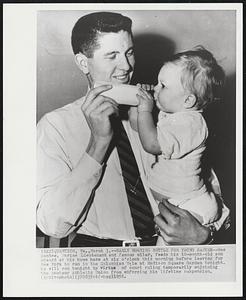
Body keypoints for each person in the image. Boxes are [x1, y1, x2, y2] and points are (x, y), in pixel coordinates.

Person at [36, 12, 230, 247]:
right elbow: (52, 224)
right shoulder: (55, 126)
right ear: (83, 63)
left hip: (166, 255)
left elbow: (212, 195)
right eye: (112, 56)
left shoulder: (168, 113)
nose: (126, 66)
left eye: (129, 52)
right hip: (100, 260)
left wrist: (204, 234)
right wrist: (98, 144)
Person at [130, 47, 226, 244]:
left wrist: (144, 111)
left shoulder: (191, 124)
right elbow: (140, 129)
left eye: (163, 86)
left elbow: (152, 144)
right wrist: (136, 110)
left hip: (190, 205)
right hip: (178, 203)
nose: (156, 88)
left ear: (188, 100)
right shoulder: (174, 115)